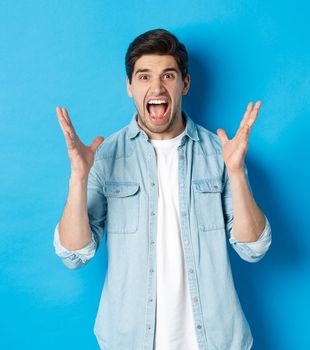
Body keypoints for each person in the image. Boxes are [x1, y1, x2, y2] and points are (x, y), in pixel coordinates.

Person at [53, 28, 271, 350]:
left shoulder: (220, 153)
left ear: (184, 83)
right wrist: (78, 178)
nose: (156, 87)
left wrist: (236, 172)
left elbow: (253, 249)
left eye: (168, 75)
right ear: (129, 86)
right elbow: (74, 255)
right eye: (143, 77)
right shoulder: (105, 156)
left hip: (215, 340)